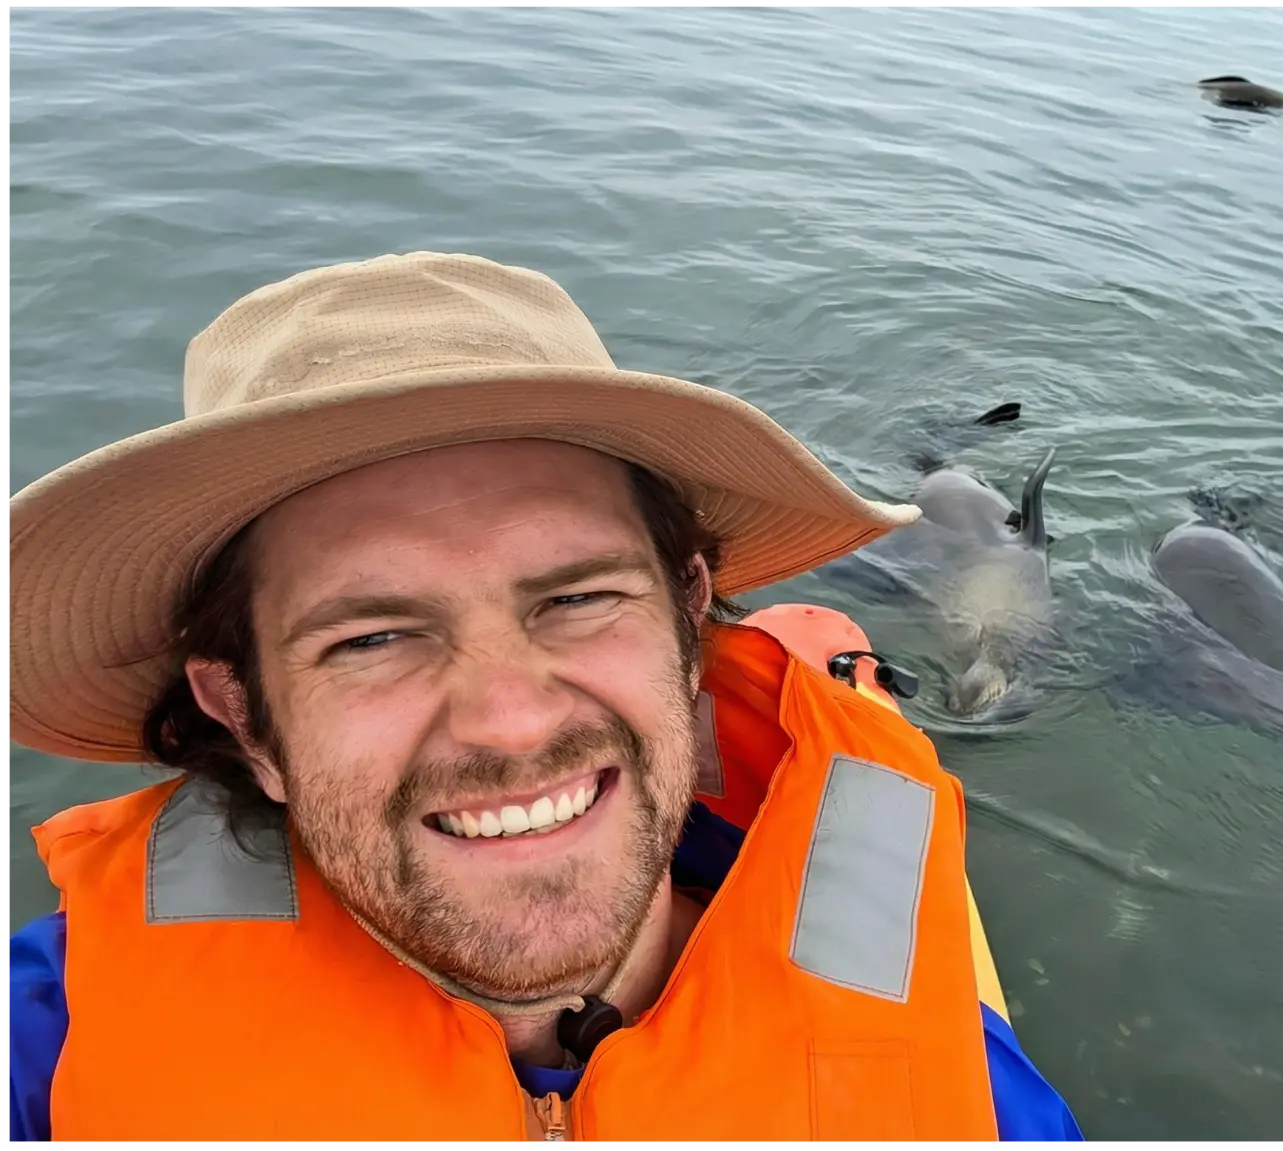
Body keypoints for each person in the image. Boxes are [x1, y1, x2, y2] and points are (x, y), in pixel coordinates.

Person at [5, 251, 1086, 1142]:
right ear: (244, 714)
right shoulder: (49, 1044)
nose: (512, 719)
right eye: (373, 634)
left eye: (575, 596)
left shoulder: (962, 1084)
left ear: (686, 620)